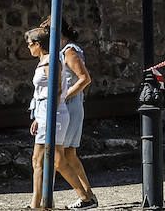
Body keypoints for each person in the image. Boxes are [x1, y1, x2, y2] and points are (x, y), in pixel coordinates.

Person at [41, 17, 98, 209]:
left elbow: (84, 79)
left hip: (70, 107)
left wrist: (64, 96)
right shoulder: (62, 51)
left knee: (61, 156)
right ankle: (88, 195)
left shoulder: (70, 51)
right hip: (70, 105)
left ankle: (85, 197)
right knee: (70, 154)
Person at [25, 27, 69, 210]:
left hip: (52, 113)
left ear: (37, 44)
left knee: (39, 159)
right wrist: (37, 117)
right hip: (45, 112)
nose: (28, 48)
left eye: (29, 45)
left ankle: (37, 204)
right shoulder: (44, 60)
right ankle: (45, 201)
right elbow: (42, 92)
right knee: (54, 160)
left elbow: (56, 90)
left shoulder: (50, 61)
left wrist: (49, 116)